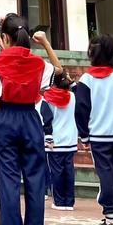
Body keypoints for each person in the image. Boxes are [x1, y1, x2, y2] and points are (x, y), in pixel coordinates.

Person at [0, 14, 62, 225]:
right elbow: (59, 72)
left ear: (5, 38)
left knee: (8, 180)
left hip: (6, 119)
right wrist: (46, 44)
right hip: (30, 118)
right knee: (35, 178)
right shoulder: (39, 64)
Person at [75, 35, 113, 225]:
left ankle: (110, 215)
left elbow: (81, 110)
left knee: (105, 176)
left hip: (99, 137)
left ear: (92, 54)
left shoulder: (86, 80)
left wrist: (84, 136)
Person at [44, 71, 78, 211]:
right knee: (69, 171)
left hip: (55, 141)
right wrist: (71, 81)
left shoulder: (48, 98)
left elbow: (47, 120)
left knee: (56, 171)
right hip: (70, 139)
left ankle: (59, 201)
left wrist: (48, 136)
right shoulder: (73, 96)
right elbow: (78, 90)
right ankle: (69, 202)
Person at [34, 95, 53, 201]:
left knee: (43, 165)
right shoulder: (24, 102)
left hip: (39, 136)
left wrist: (48, 138)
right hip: (28, 135)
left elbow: (48, 121)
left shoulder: (42, 103)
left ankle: (44, 189)